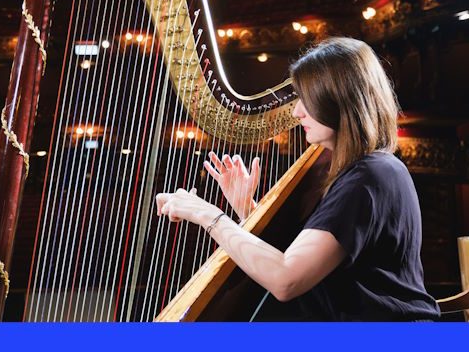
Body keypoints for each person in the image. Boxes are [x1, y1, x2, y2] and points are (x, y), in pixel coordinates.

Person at [155, 37, 440, 321]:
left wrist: (208, 215)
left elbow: (286, 280)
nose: (296, 112)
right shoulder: (371, 170)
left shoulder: (367, 178)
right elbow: (307, 261)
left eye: (306, 99)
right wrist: (247, 208)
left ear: (337, 99)